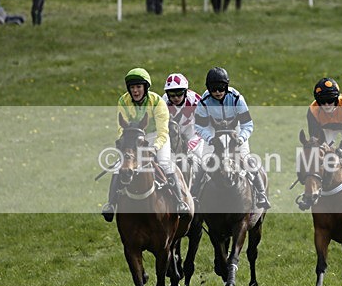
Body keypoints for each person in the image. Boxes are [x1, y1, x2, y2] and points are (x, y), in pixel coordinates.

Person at [102, 68, 190, 222]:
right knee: (118, 165)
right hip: (133, 136)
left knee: (165, 164)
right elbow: (121, 128)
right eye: (132, 88)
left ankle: (179, 202)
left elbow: (163, 131)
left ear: (145, 87)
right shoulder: (123, 101)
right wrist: (125, 146)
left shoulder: (157, 102)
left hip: (156, 136)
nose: (135, 91)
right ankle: (111, 204)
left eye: (138, 87)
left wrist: (154, 147)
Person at [193, 66, 271, 209]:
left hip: (235, 132)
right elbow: (199, 127)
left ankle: (261, 194)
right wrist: (210, 138)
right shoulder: (204, 101)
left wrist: (241, 139)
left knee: (246, 158)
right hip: (213, 133)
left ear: (226, 86)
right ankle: (194, 196)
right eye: (213, 89)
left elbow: (247, 124)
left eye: (221, 88)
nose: (217, 92)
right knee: (204, 162)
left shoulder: (236, 98)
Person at [162, 72, 204, 159]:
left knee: (199, 154)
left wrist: (194, 140)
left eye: (179, 94)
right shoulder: (164, 101)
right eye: (172, 95)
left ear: (185, 92)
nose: (176, 98)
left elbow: (204, 124)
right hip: (174, 132)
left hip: (192, 131)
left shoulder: (196, 101)